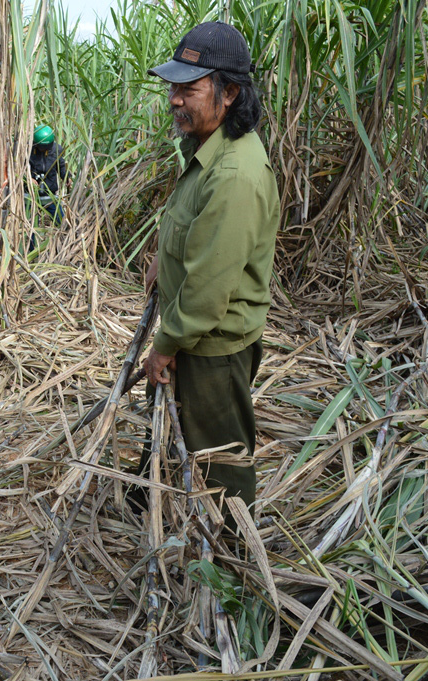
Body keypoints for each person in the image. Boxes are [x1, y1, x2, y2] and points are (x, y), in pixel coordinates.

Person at [138, 21, 280, 515]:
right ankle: (163, 516)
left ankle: (233, 563)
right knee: (183, 443)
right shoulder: (207, 147)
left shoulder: (237, 173)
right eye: (173, 87)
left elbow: (207, 291)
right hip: (195, 337)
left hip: (213, 349)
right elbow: (194, 228)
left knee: (222, 471)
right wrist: (164, 255)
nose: (175, 99)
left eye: (189, 88)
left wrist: (163, 345)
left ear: (229, 92)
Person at [27, 124, 67, 250]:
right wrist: (28, 178)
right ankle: (31, 253)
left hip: (50, 194)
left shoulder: (56, 150)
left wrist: (67, 177)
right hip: (31, 195)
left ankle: (65, 248)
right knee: (29, 227)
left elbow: (61, 166)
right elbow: (20, 167)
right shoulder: (28, 151)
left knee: (62, 222)